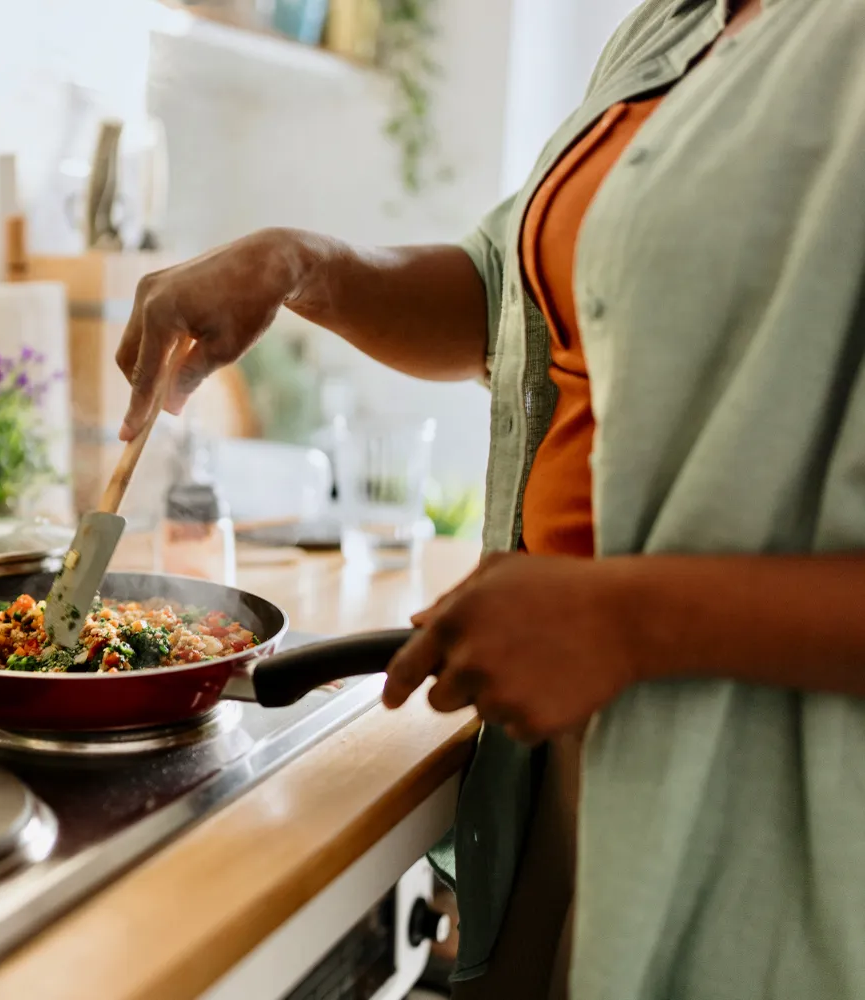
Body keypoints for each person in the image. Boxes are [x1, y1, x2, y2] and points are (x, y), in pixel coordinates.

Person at [114, 1, 865, 997]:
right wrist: (297, 262)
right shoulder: (678, 22)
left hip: (771, 801)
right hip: (574, 742)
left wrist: (625, 619)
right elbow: (507, 291)